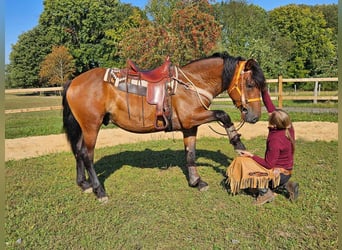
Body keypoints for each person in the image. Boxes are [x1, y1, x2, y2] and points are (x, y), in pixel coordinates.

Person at [226, 89, 299, 205]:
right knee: (252, 176)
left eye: (270, 117)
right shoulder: (287, 128)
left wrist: (251, 155)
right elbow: (269, 105)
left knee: (243, 162)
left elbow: (268, 164)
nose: (269, 116)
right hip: (286, 172)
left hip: (278, 173)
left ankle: (265, 193)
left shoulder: (275, 140)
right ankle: (287, 185)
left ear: (274, 124)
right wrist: (262, 88)